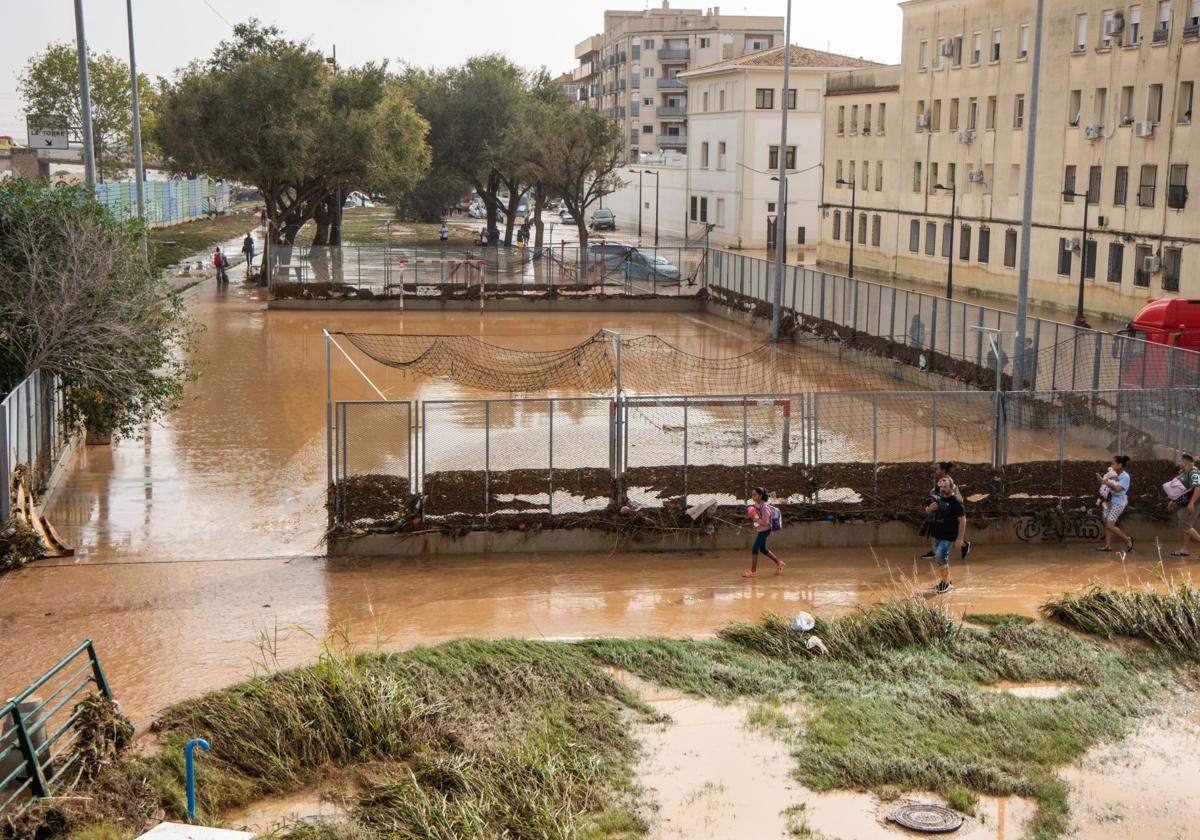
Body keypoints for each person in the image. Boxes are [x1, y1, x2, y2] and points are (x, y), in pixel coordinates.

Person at [921, 462, 969, 560]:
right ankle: (935, 552)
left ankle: (963, 545)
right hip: (940, 509)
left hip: (948, 511)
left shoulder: (949, 481)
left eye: (937, 469)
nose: (936, 471)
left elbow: (954, 496)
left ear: (943, 470)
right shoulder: (942, 480)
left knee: (947, 534)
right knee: (935, 529)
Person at [926, 476, 966, 593]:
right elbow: (927, 510)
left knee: (939, 555)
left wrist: (960, 539)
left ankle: (946, 583)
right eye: (941, 487)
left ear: (951, 487)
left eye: (945, 487)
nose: (943, 489)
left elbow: (962, 520)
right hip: (937, 534)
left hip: (949, 536)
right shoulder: (937, 498)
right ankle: (947, 580)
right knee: (941, 558)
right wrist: (929, 509)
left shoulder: (955, 502)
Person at [744, 487, 785, 578]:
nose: (753, 497)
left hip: (765, 530)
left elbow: (765, 521)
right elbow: (758, 517)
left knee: (755, 548)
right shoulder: (757, 505)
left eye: (755, 495)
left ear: (760, 496)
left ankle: (753, 571)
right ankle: (779, 563)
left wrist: (756, 519)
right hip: (761, 529)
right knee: (762, 549)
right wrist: (753, 516)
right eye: (752, 495)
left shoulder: (764, 507)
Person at [1097, 455, 1133, 552]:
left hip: (1118, 503)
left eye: (1113, 463)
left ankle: (1127, 539)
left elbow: (1117, 489)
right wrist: (1102, 481)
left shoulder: (1125, 476)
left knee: (1109, 525)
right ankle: (1107, 546)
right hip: (1109, 501)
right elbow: (1106, 485)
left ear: (1120, 465)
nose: (1111, 465)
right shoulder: (1112, 473)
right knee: (1107, 524)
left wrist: (1105, 482)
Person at [1168, 452, 1200, 556]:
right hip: (1185, 503)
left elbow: (1198, 487)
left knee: (1184, 525)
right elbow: (1182, 490)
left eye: (1180, 460)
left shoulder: (1194, 472)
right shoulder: (1186, 472)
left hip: (1192, 503)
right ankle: (1185, 550)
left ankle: (1185, 549)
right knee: (1187, 526)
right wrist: (1173, 500)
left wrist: (1192, 503)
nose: (1179, 462)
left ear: (1184, 462)